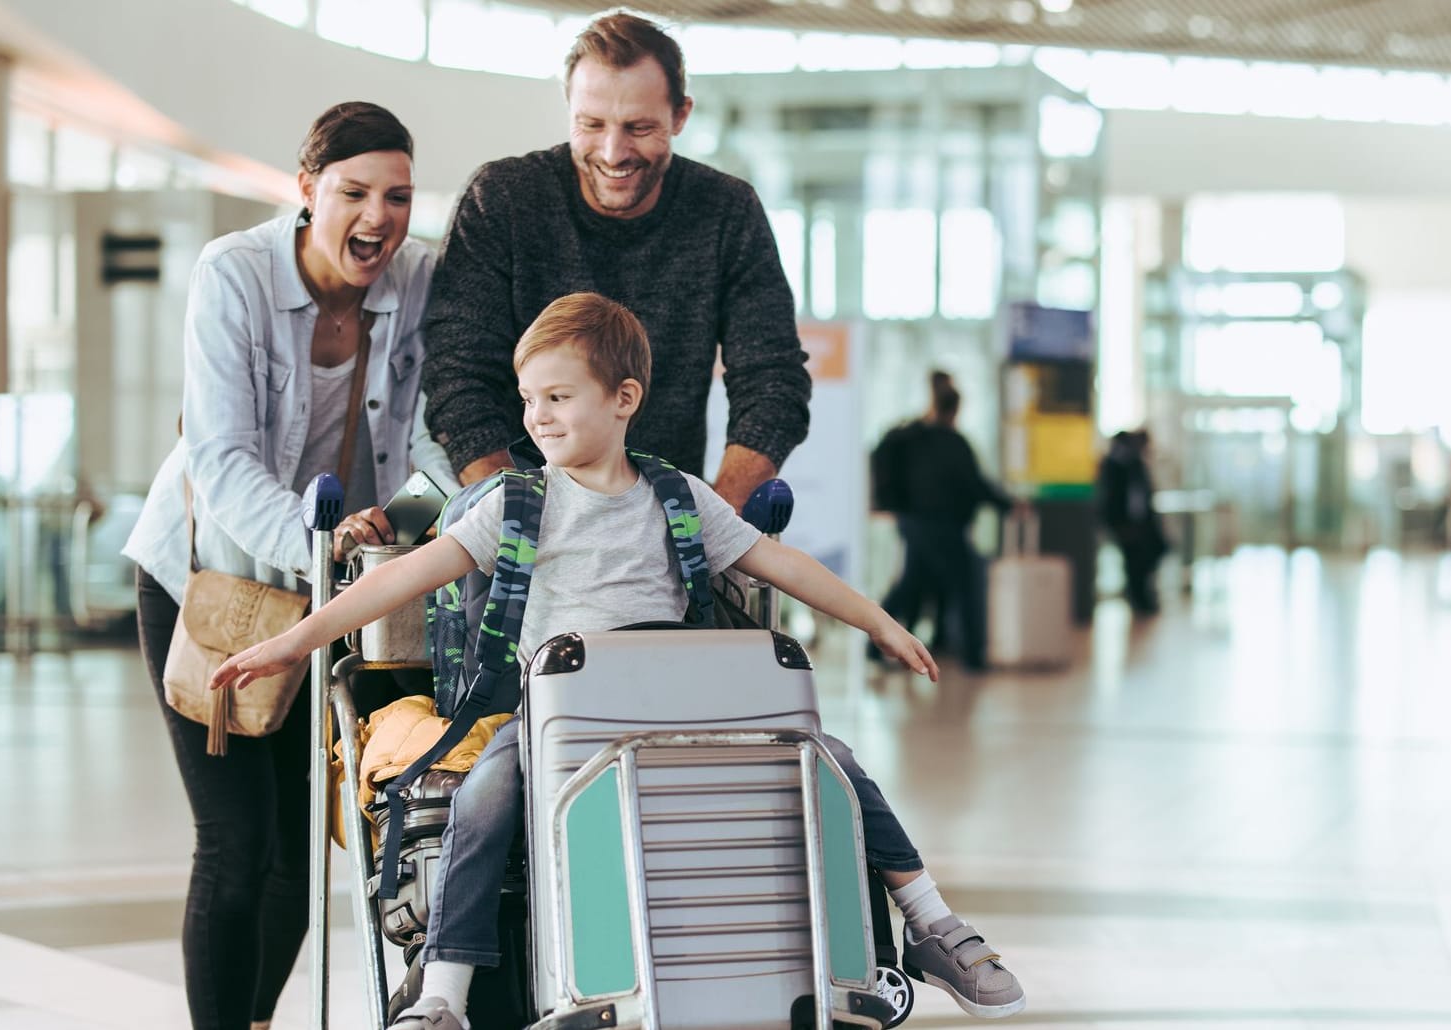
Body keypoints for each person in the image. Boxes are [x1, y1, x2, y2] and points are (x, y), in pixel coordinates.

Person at [213, 294, 1028, 1025]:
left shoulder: (678, 498)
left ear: (624, 400)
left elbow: (786, 568)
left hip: (681, 715)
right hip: (552, 721)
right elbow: (400, 578)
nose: (537, 417)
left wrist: (878, 622)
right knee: (485, 794)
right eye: (529, 399)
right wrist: (291, 640)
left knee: (835, 763)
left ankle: (930, 922)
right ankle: (444, 994)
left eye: (558, 397)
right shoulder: (515, 504)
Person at [121, 102, 456, 1030]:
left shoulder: (421, 278)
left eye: (397, 196)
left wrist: (410, 517)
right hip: (208, 581)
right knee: (235, 846)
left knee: (300, 863)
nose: (379, 217)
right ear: (306, 189)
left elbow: (433, 437)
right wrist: (323, 547)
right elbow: (219, 457)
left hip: (329, 594)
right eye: (354, 193)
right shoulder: (233, 274)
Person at [420, 11, 811, 512]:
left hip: (669, 529)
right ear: (569, 109)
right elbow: (457, 377)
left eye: (639, 127)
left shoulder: (727, 212)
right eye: (592, 124)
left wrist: (714, 521)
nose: (613, 152)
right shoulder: (502, 199)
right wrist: (523, 517)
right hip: (516, 525)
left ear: (680, 116)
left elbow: (773, 379)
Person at [870, 371, 1012, 671]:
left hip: (914, 523)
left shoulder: (909, 437)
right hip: (944, 526)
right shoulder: (951, 443)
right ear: (955, 409)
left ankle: (874, 644)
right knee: (965, 585)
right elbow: (976, 485)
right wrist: (1008, 504)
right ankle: (974, 657)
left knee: (911, 584)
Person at [1097, 430, 1167, 615]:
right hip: (1125, 524)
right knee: (1133, 563)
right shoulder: (1115, 464)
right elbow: (1110, 498)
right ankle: (1139, 600)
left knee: (1146, 559)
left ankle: (1143, 599)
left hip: (1141, 523)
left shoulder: (1136, 464)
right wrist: (1117, 524)